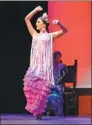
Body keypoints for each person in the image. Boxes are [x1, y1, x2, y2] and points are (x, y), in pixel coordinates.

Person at [23, 6, 67, 120]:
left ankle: (39, 111)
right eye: (36, 22)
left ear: (44, 24)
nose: (36, 24)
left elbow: (65, 31)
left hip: (44, 68)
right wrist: (35, 10)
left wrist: (59, 23)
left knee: (42, 90)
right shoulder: (34, 34)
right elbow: (27, 19)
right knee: (31, 85)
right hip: (35, 66)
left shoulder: (50, 36)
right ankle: (37, 110)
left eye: (38, 22)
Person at [46, 51, 68, 116]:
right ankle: (49, 110)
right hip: (52, 85)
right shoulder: (50, 68)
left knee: (57, 91)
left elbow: (60, 77)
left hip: (59, 85)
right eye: (56, 57)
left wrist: (55, 85)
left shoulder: (63, 67)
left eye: (59, 57)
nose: (57, 59)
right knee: (46, 91)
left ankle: (59, 111)